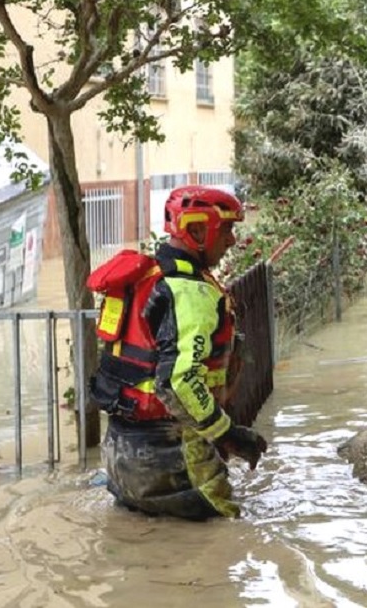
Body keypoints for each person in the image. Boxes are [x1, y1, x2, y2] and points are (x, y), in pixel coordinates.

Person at [87, 185, 268, 521]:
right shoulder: (190, 292)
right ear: (197, 229)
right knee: (229, 538)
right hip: (170, 460)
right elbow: (177, 381)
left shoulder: (145, 278)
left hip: (118, 460)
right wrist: (228, 434)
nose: (231, 240)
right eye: (227, 228)